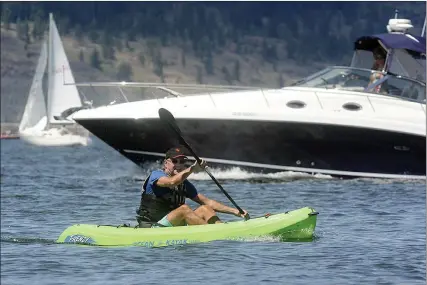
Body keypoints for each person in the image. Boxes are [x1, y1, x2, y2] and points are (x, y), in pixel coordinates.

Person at [136, 146, 249, 228]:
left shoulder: (184, 184)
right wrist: (191, 169)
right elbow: (171, 182)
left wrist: (235, 212)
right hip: (152, 227)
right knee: (184, 209)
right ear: (166, 163)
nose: (179, 164)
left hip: (172, 225)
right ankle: (215, 233)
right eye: (175, 161)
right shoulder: (156, 175)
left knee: (205, 208)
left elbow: (208, 202)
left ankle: (222, 229)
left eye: (182, 161)